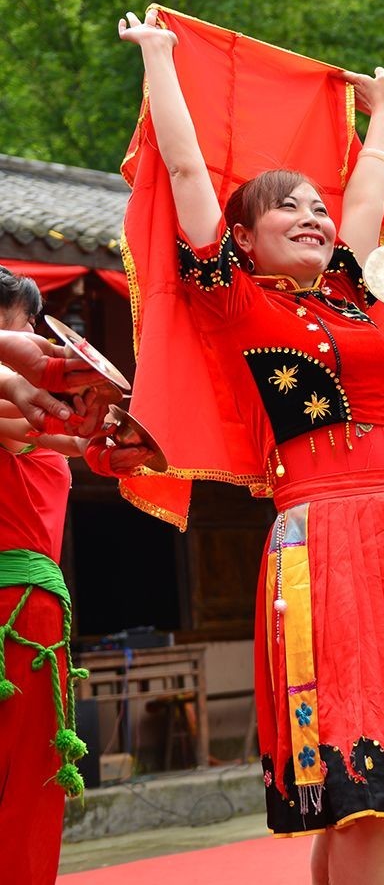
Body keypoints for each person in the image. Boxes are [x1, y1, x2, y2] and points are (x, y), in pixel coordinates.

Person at [120, 10, 384, 883]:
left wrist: (382, 116)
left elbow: (364, 196)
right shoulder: (236, 300)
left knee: (383, 774)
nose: (313, 216)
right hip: (324, 537)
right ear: (244, 238)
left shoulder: (354, 295)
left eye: (316, 206)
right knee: (370, 768)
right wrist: (160, 60)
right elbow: (186, 170)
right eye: (284, 206)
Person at [0, 270, 151, 885]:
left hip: (27, 612)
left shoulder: (23, 410)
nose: (31, 339)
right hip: (19, 612)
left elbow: (58, 435)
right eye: (19, 326)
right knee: (25, 788)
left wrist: (105, 434)